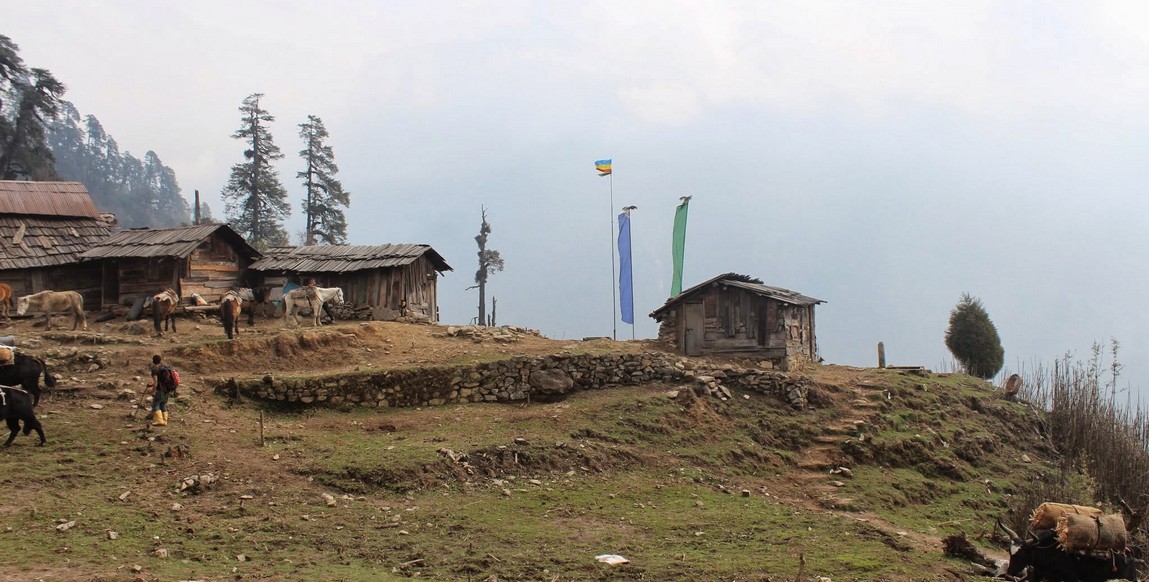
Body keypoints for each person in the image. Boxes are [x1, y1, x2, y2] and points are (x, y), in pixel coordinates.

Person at [147, 354, 176, 426]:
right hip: (167, 389)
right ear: (160, 361)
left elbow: (156, 382)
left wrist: (152, 391)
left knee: (155, 404)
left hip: (160, 389)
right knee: (163, 404)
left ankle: (159, 420)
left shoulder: (155, 369)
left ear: (153, 361)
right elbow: (162, 380)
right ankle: (165, 420)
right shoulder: (164, 368)